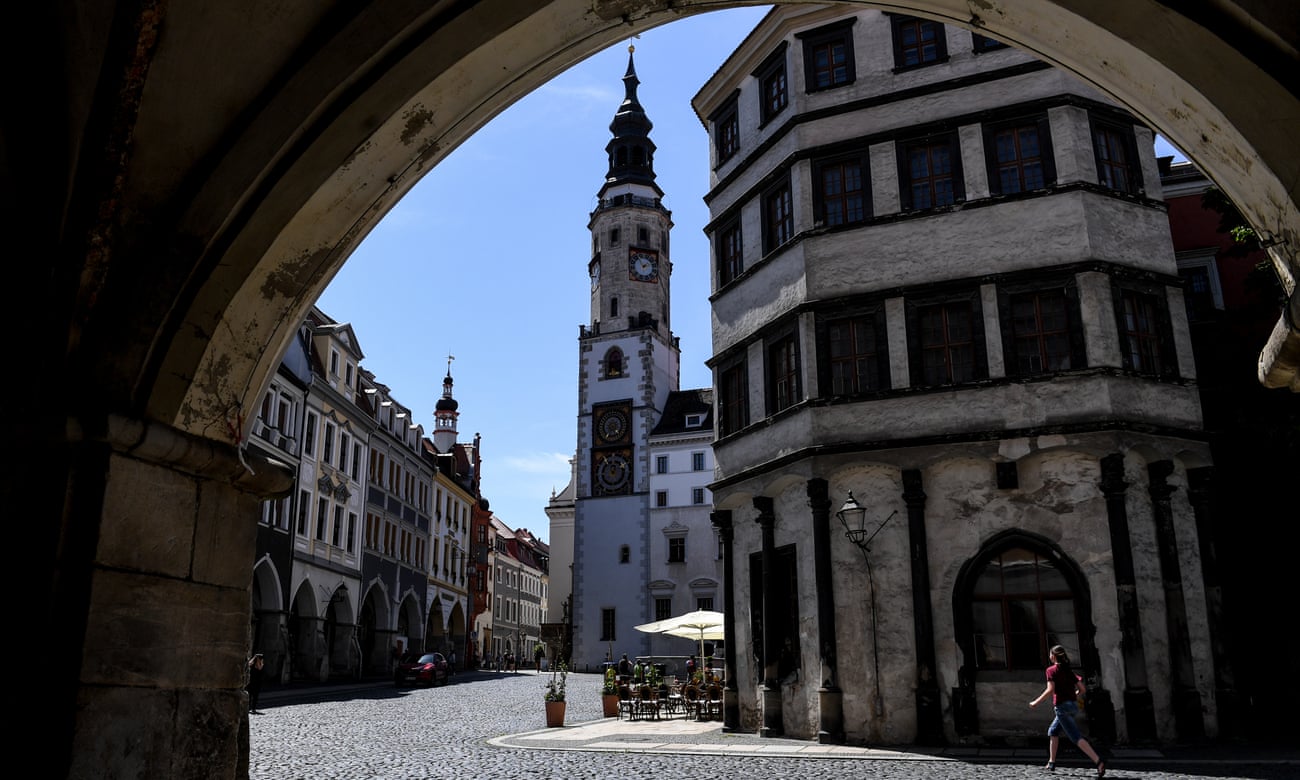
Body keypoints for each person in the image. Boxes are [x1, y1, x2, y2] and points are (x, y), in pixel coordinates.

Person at [1030, 645, 1106, 776]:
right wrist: (1073, 695)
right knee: (1053, 731)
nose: (1049, 656)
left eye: (1050, 654)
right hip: (1072, 706)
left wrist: (1035, 702)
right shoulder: (1068, 670)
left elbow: (1049, 690)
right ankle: (1051, 762)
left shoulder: (1051, 670)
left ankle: (1098, 761)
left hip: (1061, 708)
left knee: (1076, 737)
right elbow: (1082, 689)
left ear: (1053, 656)